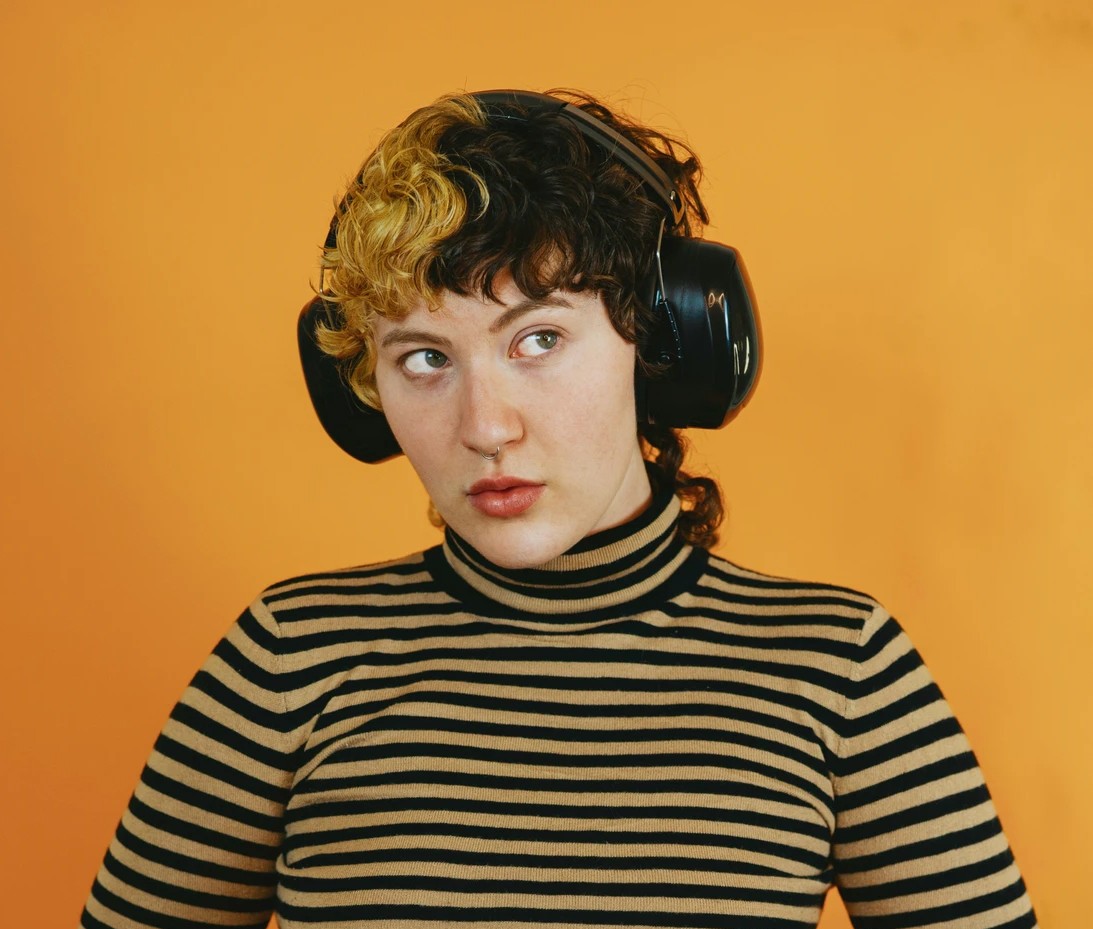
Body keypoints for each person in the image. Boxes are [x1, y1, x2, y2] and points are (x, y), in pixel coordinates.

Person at [81, 89, 1037, 929]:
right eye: (423, 358)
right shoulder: (289, 656)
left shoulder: (839, 668)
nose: (485, 425)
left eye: (537, 338)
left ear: (658, 343)